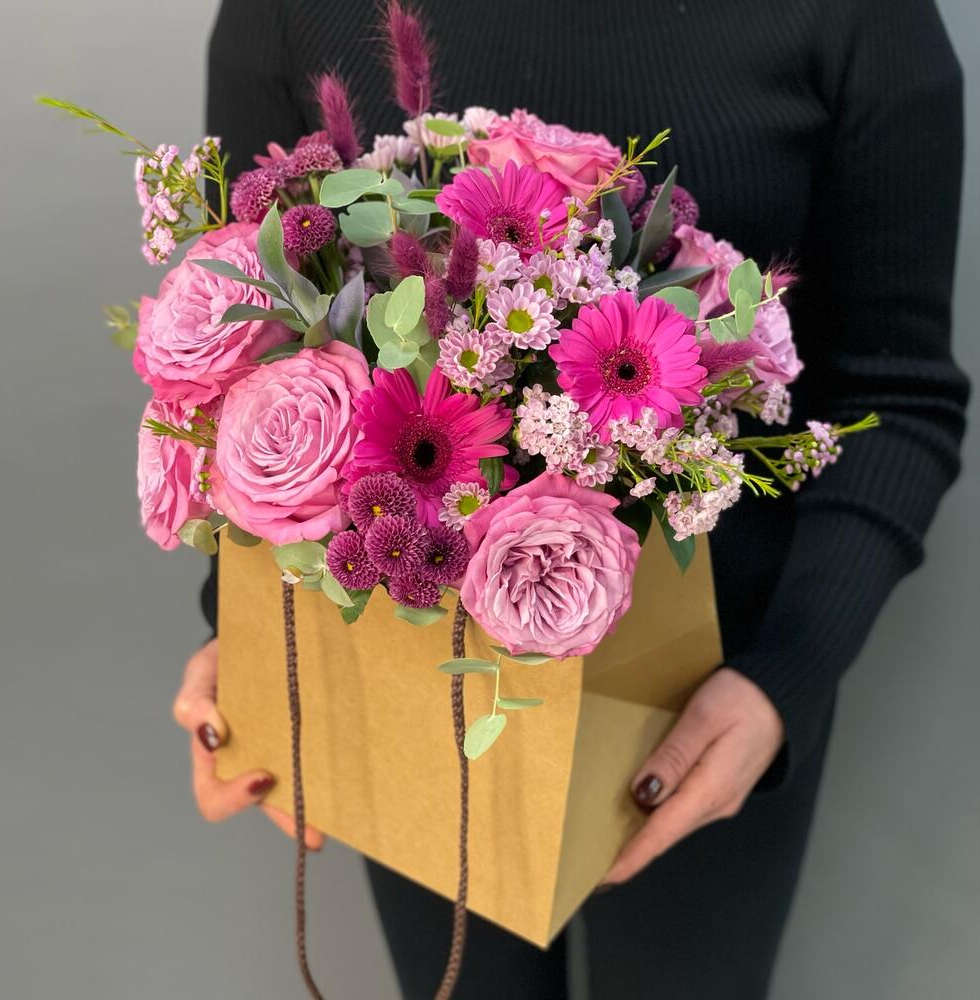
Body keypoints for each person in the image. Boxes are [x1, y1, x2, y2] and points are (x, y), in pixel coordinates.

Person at [171, 1, 969, 996]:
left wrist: (786, 675)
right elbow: (246, 355)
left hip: (709, 695)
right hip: (409, 667)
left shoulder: (855, 18)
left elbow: (896, 396)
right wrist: (247, 640)